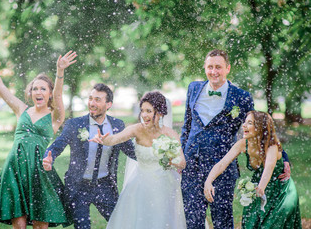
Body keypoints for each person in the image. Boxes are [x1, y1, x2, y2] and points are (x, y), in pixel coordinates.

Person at [180, 49, 291, 228]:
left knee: (222, 222)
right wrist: (181, 156)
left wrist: (283, 157)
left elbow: (262, 130)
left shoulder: (241, 97)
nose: (214, 71)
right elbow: (186, 127)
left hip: (223, 168)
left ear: (228, 68)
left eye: (218, 67)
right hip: (191, 167)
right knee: (192, 221)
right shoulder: (193, 88)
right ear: (204, 68)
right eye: (210, 67)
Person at [0, 44, 77, 228]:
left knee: (40, 225)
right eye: (34, 89)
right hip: (15, 168)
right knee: (20, 225)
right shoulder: (21, 109)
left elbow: (58, 95)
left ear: (48, 93)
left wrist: (60, 71)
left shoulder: (56, 116)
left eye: (42, 89)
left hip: (39, 171)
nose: (38, 92)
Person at [42, 83, 136, 229]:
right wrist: (49, 157)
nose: (92, 103)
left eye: (98, 100)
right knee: (82, 226)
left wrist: (152, 158)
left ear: (109, 104)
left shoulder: (117, 125)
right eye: (90, 98)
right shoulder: (75, 124)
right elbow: (58, 145)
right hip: (79, 186)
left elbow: (131, 151)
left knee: (120, 223)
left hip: (105, 185)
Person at [90, 91, 187, 229]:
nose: (144, 115)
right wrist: (104, 140)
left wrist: (170, 160)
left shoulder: (171, 134)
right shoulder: (137, 129)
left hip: (163, 186)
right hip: (140, 184)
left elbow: (182, 162)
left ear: (159, 112)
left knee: (161, 221)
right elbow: (114, 139)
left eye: (149, 111)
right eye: (142, 110)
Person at [204, 111, 302, 228]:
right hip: (258, 187)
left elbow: (269, 168)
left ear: (261, 127)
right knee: (250, 224)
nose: (244, 125)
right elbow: (222, 164)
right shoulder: (242, 144)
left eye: (249, 123)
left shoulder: (272, 146)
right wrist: (208, 181)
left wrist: (260, 189)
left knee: (272, 226)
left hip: (280, 190)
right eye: (245, 122)